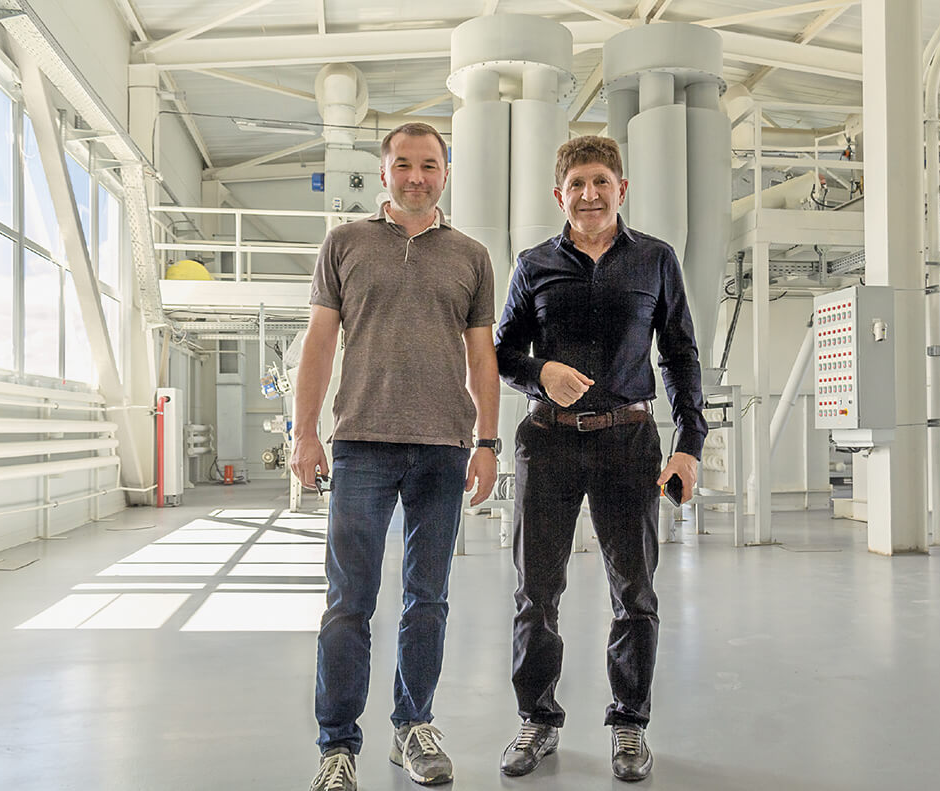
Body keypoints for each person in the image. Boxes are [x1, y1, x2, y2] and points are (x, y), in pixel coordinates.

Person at [291, 122, 500, 791]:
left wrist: (488, 441)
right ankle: (337, 745)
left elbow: (482, 356)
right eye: (403, 164)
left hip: (444, 448)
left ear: (445, 173)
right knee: (349, 601)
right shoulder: (345, 243)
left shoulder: (470, 255)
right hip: (362, 445)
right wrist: (304, 432)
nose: (416, 176)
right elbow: (319, 342)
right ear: (383, 173)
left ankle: (413, 725)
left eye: (429, 165)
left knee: (427, 599)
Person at [493, 135, 708, 782]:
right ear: (559, 195)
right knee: (536, 591)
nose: (590, 194)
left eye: (601, 183)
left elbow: (679, 354)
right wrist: (540, 373)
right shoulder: (533, 264)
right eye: (577, 185)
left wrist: (689, 445)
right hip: (547, 441)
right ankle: (536, 718)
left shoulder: (655, 260)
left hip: (628, 441)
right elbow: (502, 353)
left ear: (621, 189)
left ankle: (629, 723)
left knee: (635, 592)